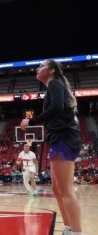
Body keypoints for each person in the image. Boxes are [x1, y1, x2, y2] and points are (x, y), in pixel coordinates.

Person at [21, 60, 82, 235]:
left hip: (64, 137)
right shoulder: (54, 86)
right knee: (57, 189)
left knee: (66, 190)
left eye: (41, 66)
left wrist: (31, 121)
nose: (37, 69)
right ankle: (69, 228)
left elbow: (56, 108)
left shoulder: (55, 83)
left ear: (52, 70)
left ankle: (76, 232)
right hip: (59, 138)